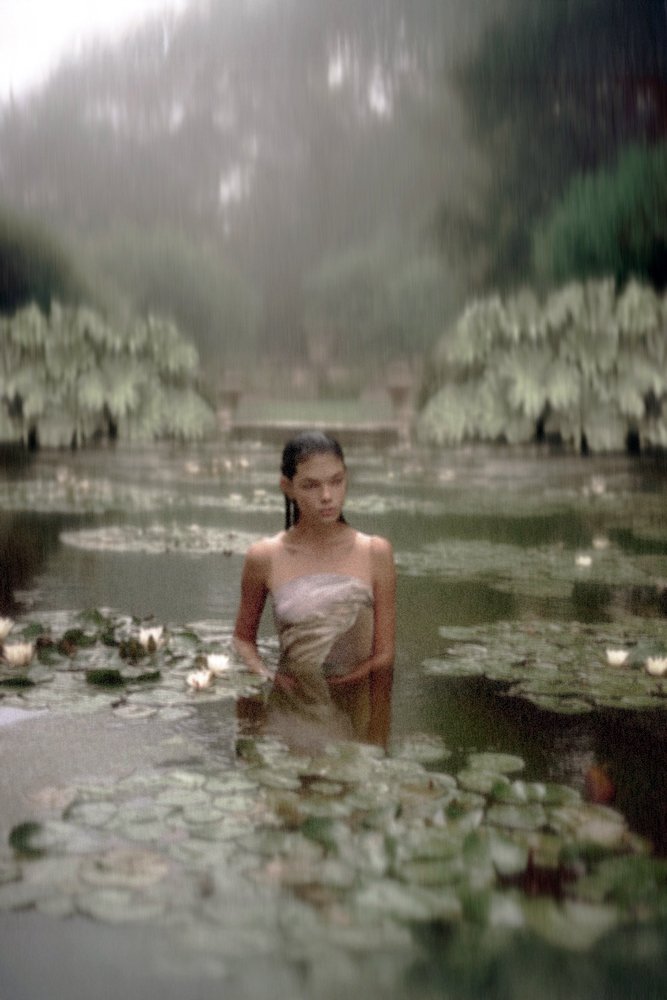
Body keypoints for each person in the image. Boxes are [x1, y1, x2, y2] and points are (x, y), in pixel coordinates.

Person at [233, 430, 395, 751]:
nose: (327, 496)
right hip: (290, 707)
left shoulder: (375, 551)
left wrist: (372, 724)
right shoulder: (264, 556)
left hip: (354, 708)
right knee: (290, 795)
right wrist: (265, 675)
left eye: (336, 481)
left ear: (346, 478)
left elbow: (385, 654)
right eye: (311, 485)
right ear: (287, 487)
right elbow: (242, 640)